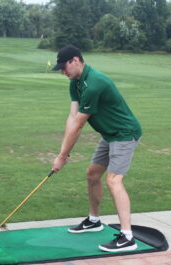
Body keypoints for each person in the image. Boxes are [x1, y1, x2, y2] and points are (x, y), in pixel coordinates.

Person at [51, 45, 142, 252]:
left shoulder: (95, 83)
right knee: (92, 174)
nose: (63, 72)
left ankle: (127, 237)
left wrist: (62, 156)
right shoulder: (75, 83)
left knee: (113, 180)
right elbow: (72, 119)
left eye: (64, 67)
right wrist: (63, 154)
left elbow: (80, 124)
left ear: (75, 60)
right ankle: (94, 221)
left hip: (125, 134)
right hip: (110, 135)